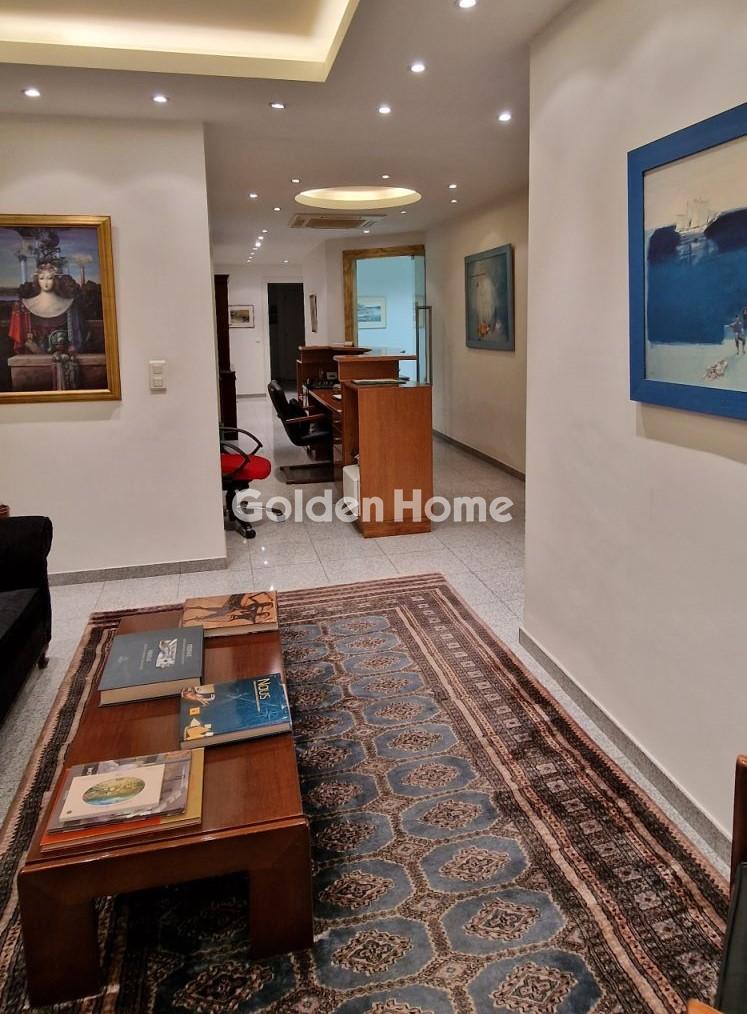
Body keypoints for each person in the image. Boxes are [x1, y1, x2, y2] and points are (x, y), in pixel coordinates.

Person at [8, 263, 87, 354]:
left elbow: (77, 338)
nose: (45, 282)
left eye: (50, 278)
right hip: (33, 358)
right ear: (37, 280)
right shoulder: (23, 305)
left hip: (62, 356)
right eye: (42, 278)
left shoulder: (70, 304)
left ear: (55, 280)